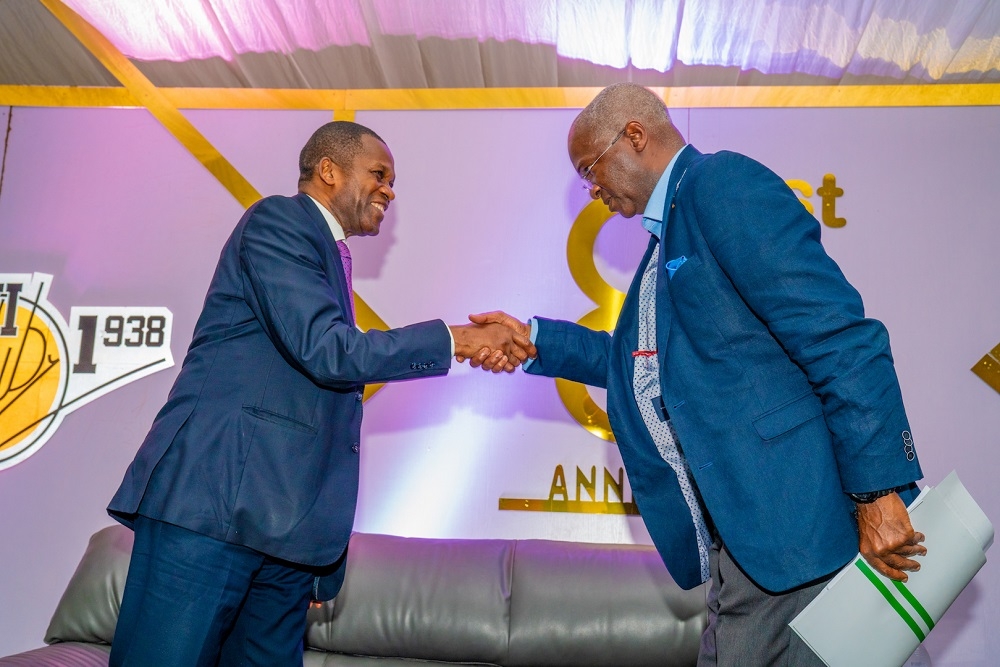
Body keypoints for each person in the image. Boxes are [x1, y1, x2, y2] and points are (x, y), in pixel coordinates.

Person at [469, 83, 926, 666]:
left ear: (634, 135)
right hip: (748, 540)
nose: (592, 189)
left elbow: (840, 337)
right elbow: (638, 368)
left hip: (799, 530)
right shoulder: (669, 238)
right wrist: (533, 342)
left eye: (590, 168)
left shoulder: (721, 186)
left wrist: (879, 490)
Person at [106, 121, 534, 666]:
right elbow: (328, 350)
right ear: (328, 171)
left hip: (285, 540)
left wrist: (312, 551)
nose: (389, 190)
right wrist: (459, 339)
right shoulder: (279, 221)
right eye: (379, 174)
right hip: (212, 511)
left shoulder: (329, 257)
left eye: (393, 181)